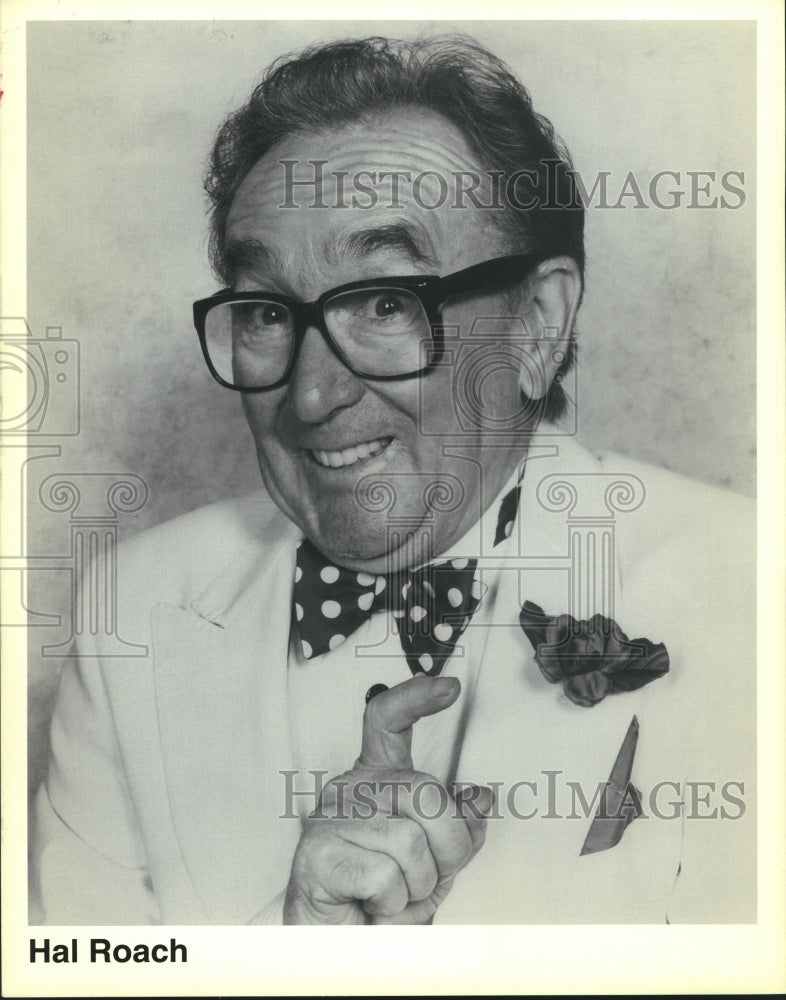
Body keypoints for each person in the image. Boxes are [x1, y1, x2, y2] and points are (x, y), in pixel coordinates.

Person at [31, 35, 755, 925]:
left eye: (384, 303)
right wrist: (300, 946)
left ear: (537, 323)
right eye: (265, 313)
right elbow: (85, 973)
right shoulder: (131, 613)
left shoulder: (750, 587)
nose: (310, 393)